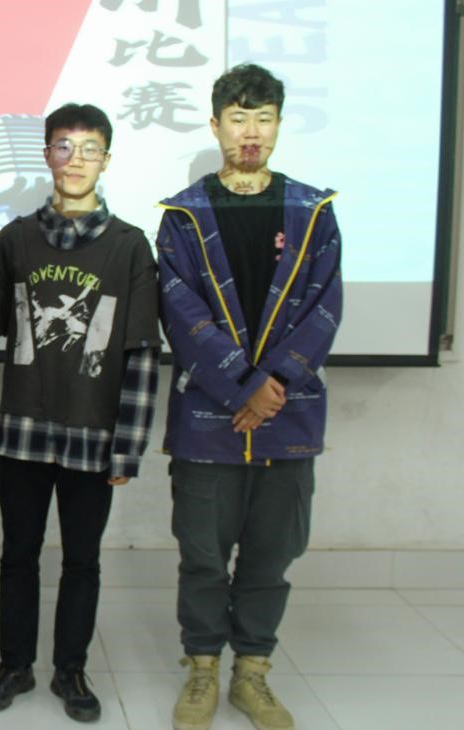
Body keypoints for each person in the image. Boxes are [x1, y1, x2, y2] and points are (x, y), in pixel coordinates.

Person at [157, 64, 342, 730]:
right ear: (216, 126)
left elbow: (324, 308)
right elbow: (179, 311)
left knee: (271, 555)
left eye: (263, 119)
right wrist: (243, 384)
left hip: (288, 416)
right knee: (202, 556)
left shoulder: (313, 212)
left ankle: (252, 673)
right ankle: (203, 668)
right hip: (208, 418)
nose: (250, 132)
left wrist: (274, 384)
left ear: (278, 125)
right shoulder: (183, 216)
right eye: (238, 119)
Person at [0, 103, 161, 724]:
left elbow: (141, 351)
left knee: (82, 559)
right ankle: (14, 664)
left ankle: (70, 667)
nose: (75, 160)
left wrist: (128, 445)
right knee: (17, 554)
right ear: (46, 155)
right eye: (63, 146)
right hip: (24, 428)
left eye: (89, 149)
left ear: (106, 159)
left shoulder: (130, 246)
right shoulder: (14, 239)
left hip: (92, 433)